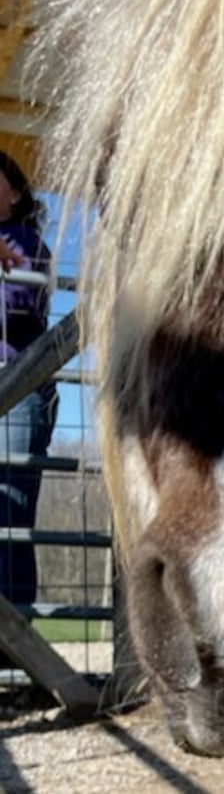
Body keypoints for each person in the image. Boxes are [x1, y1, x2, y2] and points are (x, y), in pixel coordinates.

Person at [0, 151, 57, 609]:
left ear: (15, 193)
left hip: (17, 390)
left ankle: (14, 636)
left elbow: (20, 296)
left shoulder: (26, 241)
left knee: (10, 510)